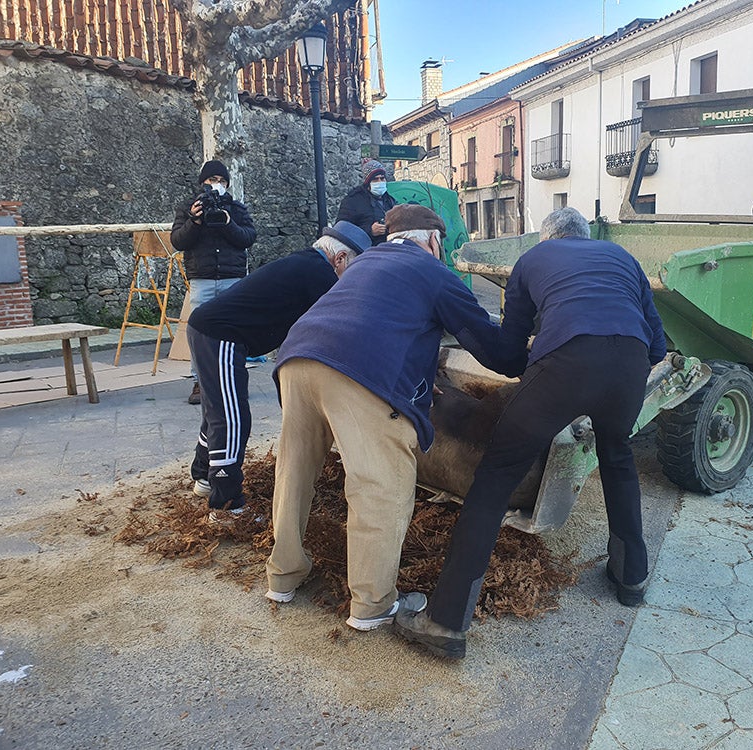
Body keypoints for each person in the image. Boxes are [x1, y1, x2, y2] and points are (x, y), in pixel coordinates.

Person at [395, 207, 668, 660]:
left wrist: (542, 373)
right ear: (584, 236)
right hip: (629, 365)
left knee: (495, 478)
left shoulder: (532, 260)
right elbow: (657, 345)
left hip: (565, 361)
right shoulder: (622, 258)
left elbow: (510, 344)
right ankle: (631, 577)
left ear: (548, 240)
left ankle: (444, 623)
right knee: (618, 458)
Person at [264, 204, 522, 632]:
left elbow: (382, 322)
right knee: (380, 487)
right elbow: (491, 349)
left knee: (294, 471)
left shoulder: (365, 264)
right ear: (434, 241)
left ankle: (283, 576)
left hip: (297, 359)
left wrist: (418, 374)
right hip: (358, 373)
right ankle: (372, 604)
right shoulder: (434, 273)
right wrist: (532, 356)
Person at [187, 221, 371, 519]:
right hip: (220, 334)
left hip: (211, 330)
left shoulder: (307, 264)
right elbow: (340, 326)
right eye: (355, 270)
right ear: (340, 259)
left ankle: (205, 478)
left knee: (217, 411)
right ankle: (226, 506)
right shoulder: (319, 274)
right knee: (231, 418)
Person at [171, 159, 258, 404]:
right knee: (199, 332)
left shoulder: (237, 209)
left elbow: (248, 238)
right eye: (211, 180)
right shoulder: (189, 208)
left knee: (234, 332)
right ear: (202, 183)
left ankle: (235, 378)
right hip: (203, 278)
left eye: (221, 181)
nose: (216, 185)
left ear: (227, 184)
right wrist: (194, 222)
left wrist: (228, 223)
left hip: (233, 279)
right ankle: (200, 382)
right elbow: (178, 241)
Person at [336, 158, 396, 246]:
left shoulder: (389, 200)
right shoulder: (352, 201)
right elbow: (342, 230)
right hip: (363, 251)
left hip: (387, 249)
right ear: (367, 182)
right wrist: (369, 231)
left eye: (382, 178)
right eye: (375, 179)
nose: (380, 182)